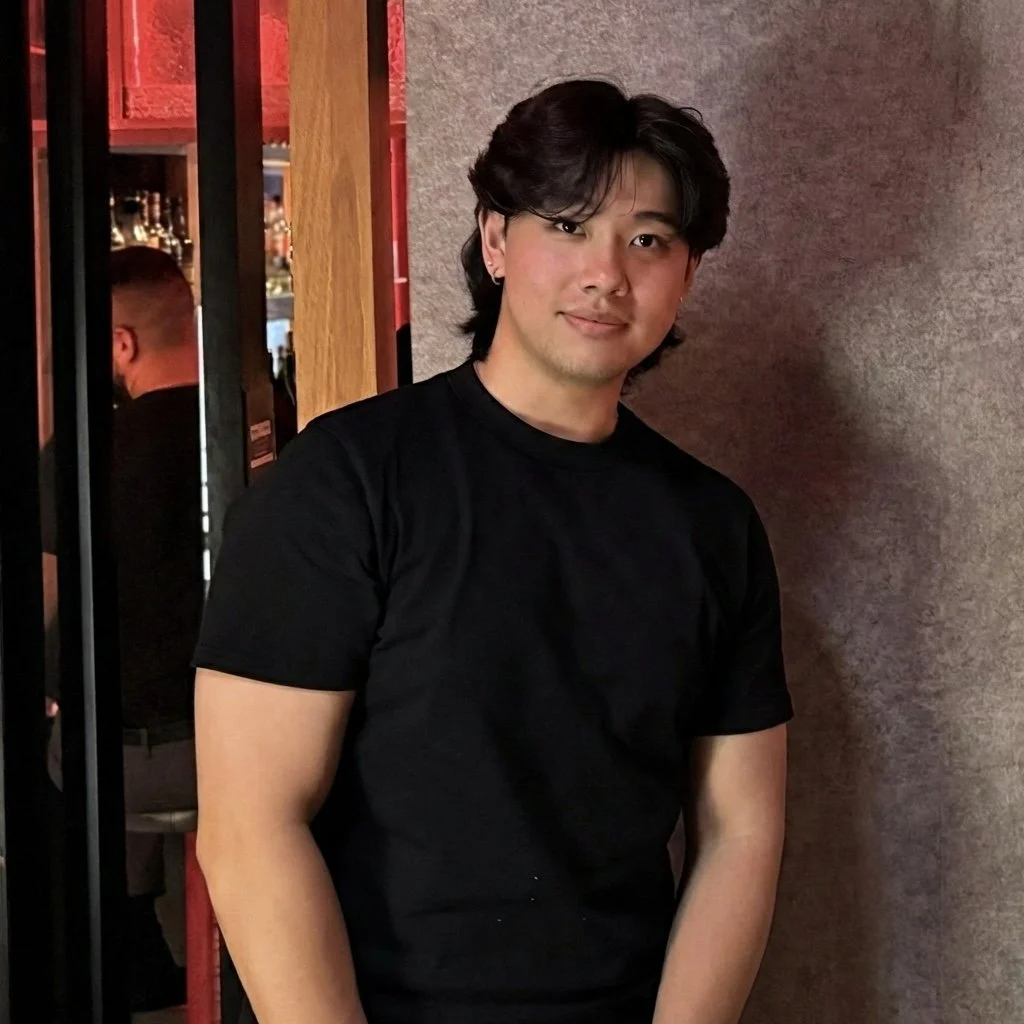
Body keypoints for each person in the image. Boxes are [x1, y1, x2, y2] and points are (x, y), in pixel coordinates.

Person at [194, 79, 793, 1024]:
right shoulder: (346, 480)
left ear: (687, 271)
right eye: (567, 224)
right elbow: (248, 827)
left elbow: (742, 831)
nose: (606, 273)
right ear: (496, 238)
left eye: (647, 239)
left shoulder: (711, 524)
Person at [43, 246, 203, 1012]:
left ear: (120, 344)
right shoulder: (261, 420)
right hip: (241, 751)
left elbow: (48, 587)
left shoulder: (87, 450)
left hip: (118, 765)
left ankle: (128, 962)